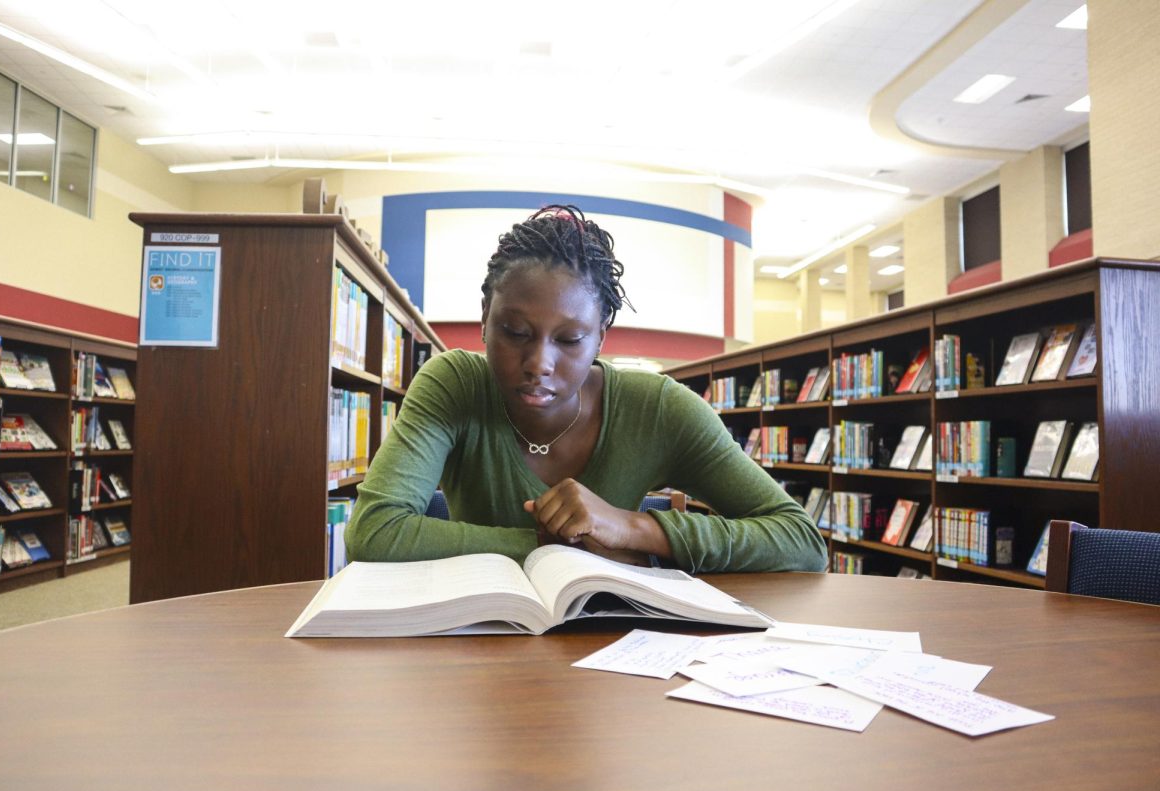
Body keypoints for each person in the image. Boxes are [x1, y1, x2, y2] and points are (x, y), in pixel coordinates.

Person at [346, 204, 827, 573]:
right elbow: (373, 533)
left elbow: (801, 542)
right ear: (484, 321)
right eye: (514, 332)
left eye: (570, 339)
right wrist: (559, 548)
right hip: (480, 651)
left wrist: (630, 528)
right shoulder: (453, 384)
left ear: (601, 335)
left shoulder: (661, 409)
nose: (539, 364)